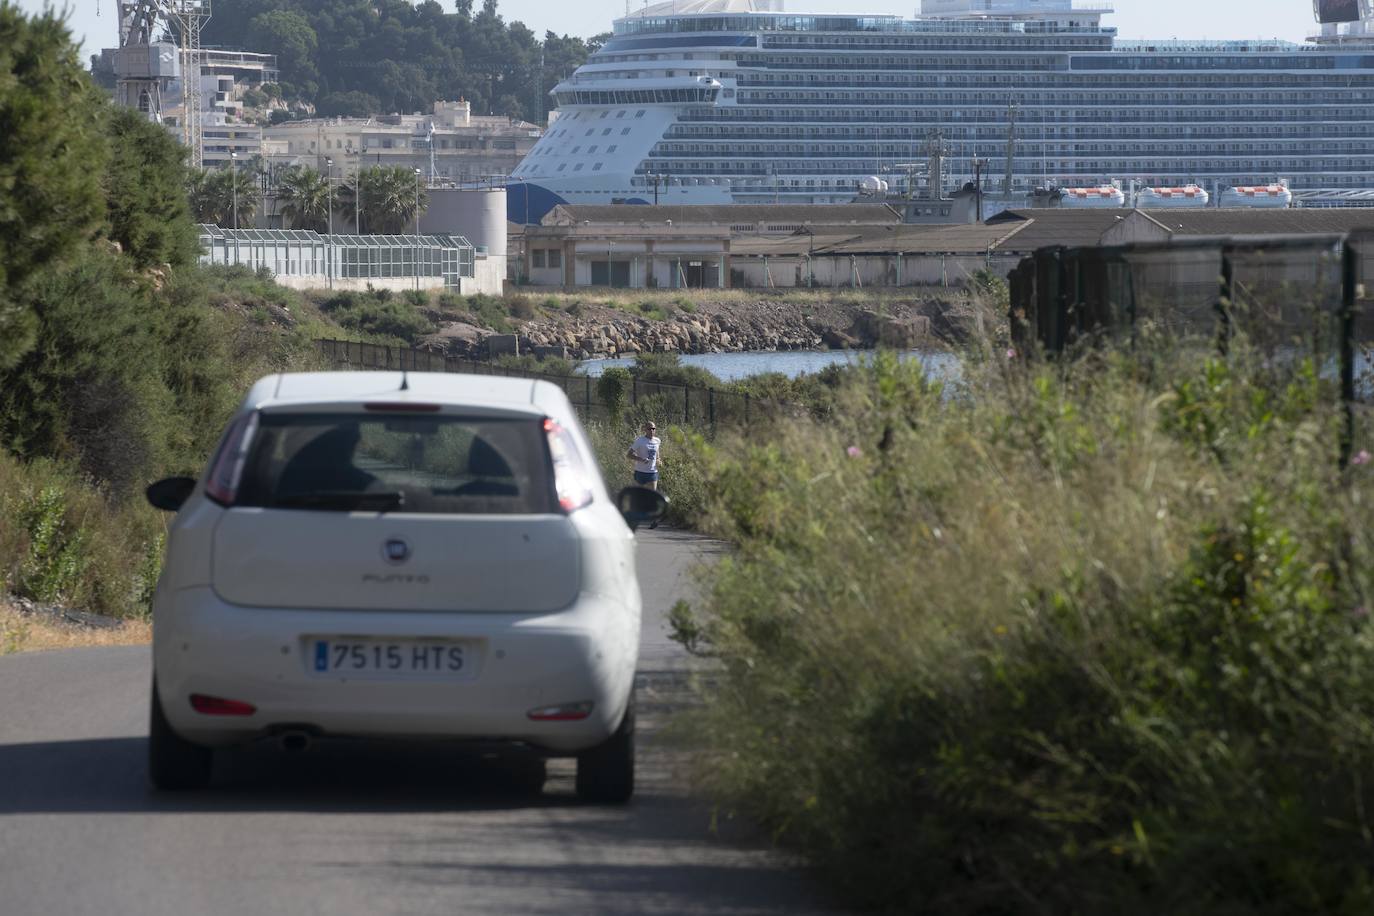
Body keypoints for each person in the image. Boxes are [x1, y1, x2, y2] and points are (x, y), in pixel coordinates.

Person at [627, 421, 662, 528]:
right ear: (645, 430)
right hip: (640, 472)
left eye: (654, 429)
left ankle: (654, 520)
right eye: (649, 429)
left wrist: (659, 461)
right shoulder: (640, 441)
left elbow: (658, 456)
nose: (652, 431)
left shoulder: (657, 441)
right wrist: (641, 459)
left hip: (652, 472)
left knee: (653, 496)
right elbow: (629, 455)